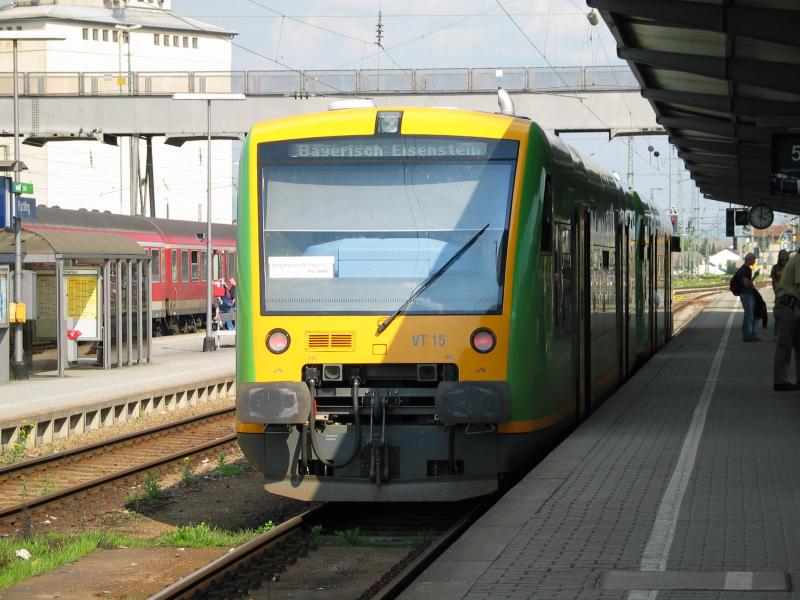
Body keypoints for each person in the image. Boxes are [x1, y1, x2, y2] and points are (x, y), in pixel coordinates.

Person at [773, 249, 800, 391]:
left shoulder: (795, 260)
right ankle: (780, 381)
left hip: (791, 307)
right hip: (788, 308)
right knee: (785, 345)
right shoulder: (799, 261)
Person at [733, 252, 760, 342]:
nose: (754, 261)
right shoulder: (744, 270)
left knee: (751, 315)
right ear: (749, 260)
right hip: (746, 295)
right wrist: (755, 276)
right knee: (749, 315)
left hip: (748, 294)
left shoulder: (746, 269)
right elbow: (747, 284)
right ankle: (747, 335)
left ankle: (749, 334)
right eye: (754, 259)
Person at [771, 250, 790, 339]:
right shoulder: (775, 267)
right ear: (779, 256)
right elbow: (773, 281)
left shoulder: (790, 266)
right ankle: (776, 334)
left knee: (789, 315)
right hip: (779, 293)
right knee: (778, 314)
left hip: (789, 293)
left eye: (785, 255)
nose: (783, 256)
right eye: (782, 254)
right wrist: (775, 291)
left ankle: (786, 335)